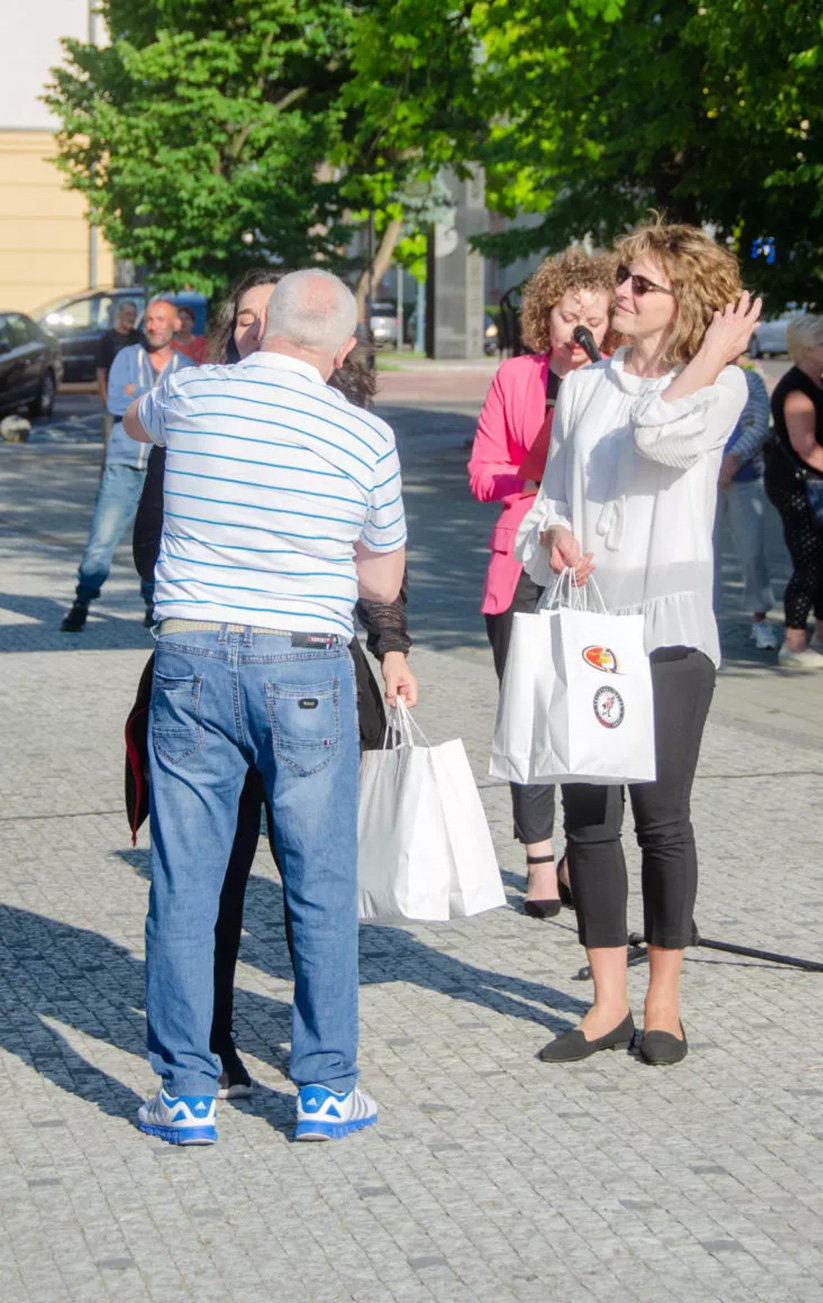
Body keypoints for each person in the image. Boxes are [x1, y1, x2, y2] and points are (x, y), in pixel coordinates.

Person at [124, 269, 406, 1145]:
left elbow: (133, 422)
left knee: (188, 880)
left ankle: (185, 1094)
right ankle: (325, 1090)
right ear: (345, 347)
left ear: (261, 328)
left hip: (193, 653)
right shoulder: (367, 438)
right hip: (305, 665)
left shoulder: (192, 392)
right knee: (318, 883)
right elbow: (382, 580)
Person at [516, 218, 759, 1066]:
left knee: (661, 821)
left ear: (682, 303)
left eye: (640, 285)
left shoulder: (721, 388)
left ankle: (663, 1001)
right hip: (587, 626)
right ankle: (605, 1000)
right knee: (589, 819)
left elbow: (658, 434)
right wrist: (549, 538)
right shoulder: (582, 387)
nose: (618, 292)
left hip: (669, 633)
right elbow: (546, 501)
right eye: (623, 276)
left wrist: (702, 358)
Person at [468, 250, 617, 918]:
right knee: (527, 713)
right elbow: (480, 474)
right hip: (522, 564)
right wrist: (531, 480)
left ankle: (583, 852)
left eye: (594, 313)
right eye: (568, 313)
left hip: (596, 567)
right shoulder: (515, 378)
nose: (579, 326)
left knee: (593, 708)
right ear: (544, 316)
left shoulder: (620, 382)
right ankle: (536, 855)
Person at [59, 299, 193, 633]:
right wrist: (163, 401)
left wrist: (142, 396)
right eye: (149, 319)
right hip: (123, 462)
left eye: (161, 319)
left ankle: (153, 606)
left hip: (165, 469)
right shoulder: (125, 356)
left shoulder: (187, 366)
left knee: (159, 540)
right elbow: (118, 401)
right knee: (101, 537)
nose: (152, 325)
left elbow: (186, 415)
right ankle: (82, 601)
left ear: (176, 325)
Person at [764, 315, 823, 670]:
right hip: (799, 489)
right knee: (810, 565)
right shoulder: (797, 391)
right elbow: (806, 448)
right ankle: (794, 643)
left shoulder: (821, 385)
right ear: (805, 350)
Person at [713, 358, 777, 649]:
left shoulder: (752, 382)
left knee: (752, 554)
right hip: (706, 482)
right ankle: (706, 623)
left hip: (746, 478)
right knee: (705, 555)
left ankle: (760, 621)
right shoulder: (701, 374)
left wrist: (732, 460)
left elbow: (759, 426)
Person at [95, 300, 143, 441]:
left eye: (134, 315)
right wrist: (105, 399)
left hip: (136, 400)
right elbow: (101, 372)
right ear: (119, 315)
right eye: (128, 314)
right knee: (112, 440)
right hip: (115, 399)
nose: (131, 318)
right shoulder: (107, 340)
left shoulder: (140, 339)